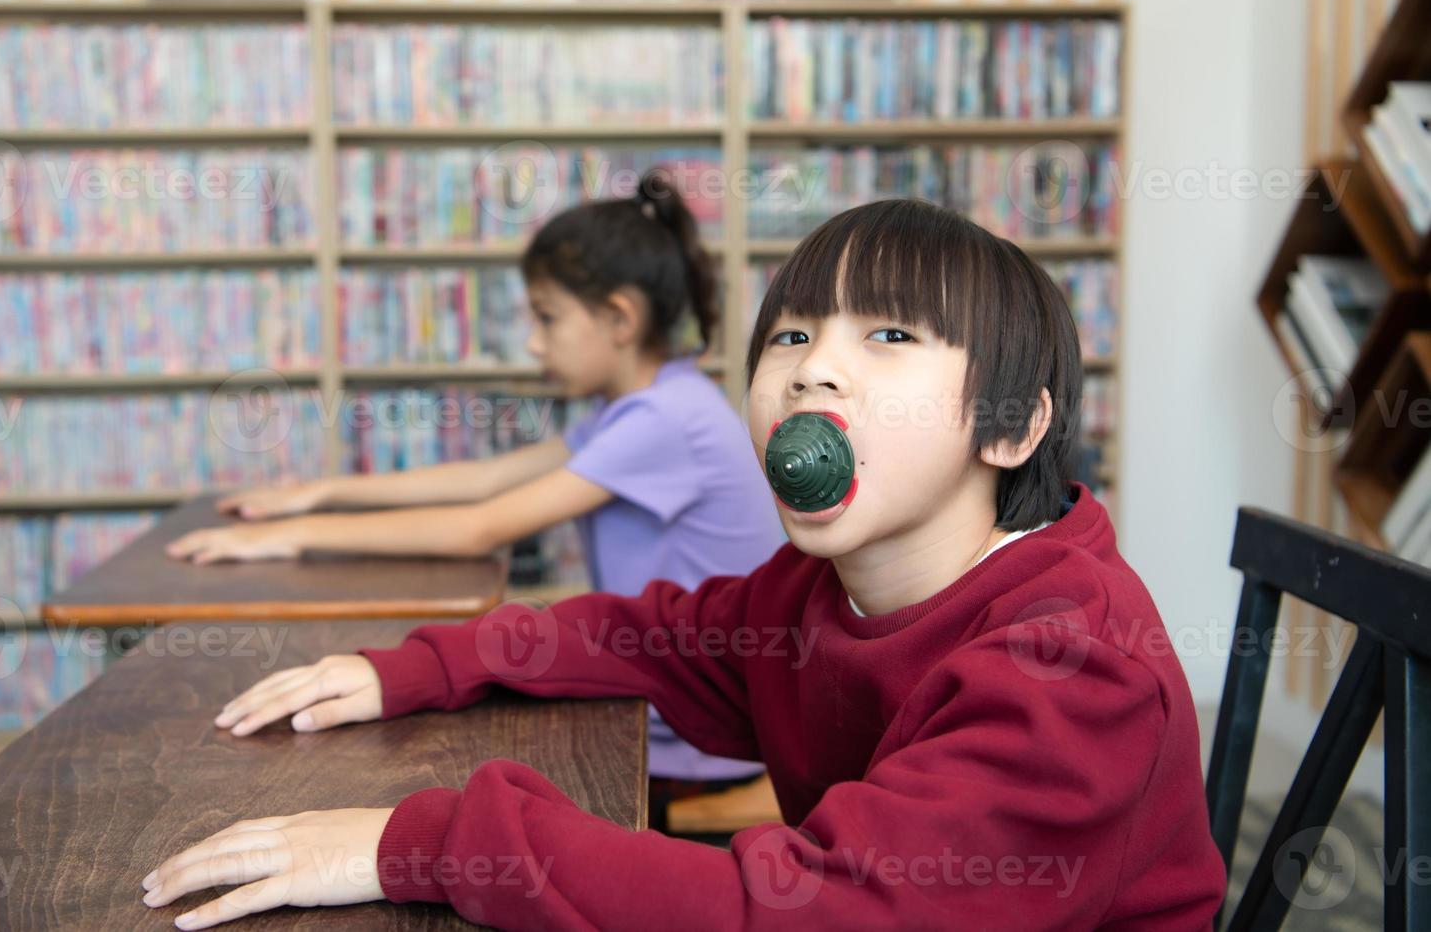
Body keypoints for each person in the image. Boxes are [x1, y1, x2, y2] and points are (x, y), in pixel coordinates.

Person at [142, 198, 1227, 930]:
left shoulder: (1073, 665)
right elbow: (645, 633)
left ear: (1010, 427)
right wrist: (417, 667)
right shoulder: (815, 591)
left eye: (889, 336)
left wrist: (426, 839)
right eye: (792, 336)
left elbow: (804, 909)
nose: (812, 373)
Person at [165, 168, 784, 806]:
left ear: (620, 318)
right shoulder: (646, 404)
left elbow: (480, 526)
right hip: (672, 707)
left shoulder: (664, 420)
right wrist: (319, 494)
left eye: (547, 317)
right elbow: (484, 479)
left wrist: (288, 538)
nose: (532, 341)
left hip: (692, 738)